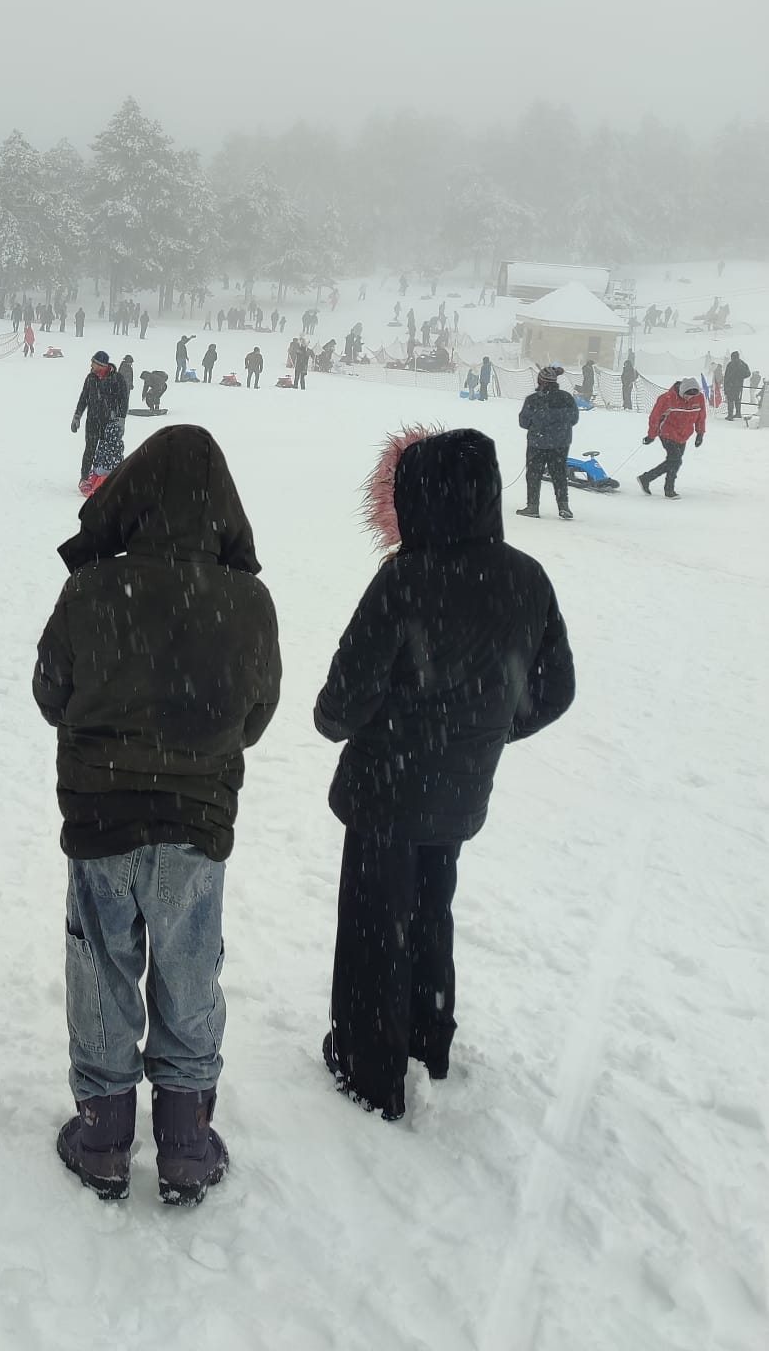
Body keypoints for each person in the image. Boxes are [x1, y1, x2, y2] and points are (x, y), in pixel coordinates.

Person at [33, 426, 281, 1205]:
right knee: (188, 970)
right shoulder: (247, 599)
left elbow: (51, 694)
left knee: (101, 966)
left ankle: (104, 1138)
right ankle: (184, 1141)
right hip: (195, 820)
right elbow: (257, 712)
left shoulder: (92, 589)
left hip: (102, 814)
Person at [315, 428, 574, 1121]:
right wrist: (478, 734)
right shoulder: (526, 577)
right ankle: (429, 1038)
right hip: (458, 791)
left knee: (376, 926)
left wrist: (380, 727)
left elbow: (343, 702)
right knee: (431, 908)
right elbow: (554, 691)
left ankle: (369, 1069)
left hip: (385, 791)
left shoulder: (405, 577)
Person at [516, 366, 578, 520]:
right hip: (560, 444)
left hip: (538, 443)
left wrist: (537, 426)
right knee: (560, 474)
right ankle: (564, 506)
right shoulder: (567, 398)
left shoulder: (533, 399)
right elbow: (574, 419)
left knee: (534, 475)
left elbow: (523, 422)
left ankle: (533, 506)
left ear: (541, 380)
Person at [639, 378, 706, 498]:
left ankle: (646, 478)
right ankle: (668, 489)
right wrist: (651, 435)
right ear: (682, 391)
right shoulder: (666, 399)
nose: (689, 398)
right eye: (687, 395)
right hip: (667, 432)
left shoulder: (699, 398)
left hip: (684, 434)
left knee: (674, 462)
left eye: (692, 396)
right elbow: (654, 417)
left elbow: (701, 416)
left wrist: (700, 433)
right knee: (675, 460)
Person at [72, 351, 126, 491]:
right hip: (92, 420)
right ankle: (84, 479)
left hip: (109, 422)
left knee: (107, 451)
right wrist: (77, 416)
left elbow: (123, 400)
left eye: (93, 363)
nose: (91, 365)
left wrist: (121, 419)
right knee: (90, 449)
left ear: (101, 365)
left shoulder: (117, 379)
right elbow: (83, 398)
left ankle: (106, 478)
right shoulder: (91, 378)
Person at [724, 351, 750, 422]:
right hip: (738, 385)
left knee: (730, 399)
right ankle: (738, 413)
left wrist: (726, 385)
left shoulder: (730, 364)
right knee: (737, 399)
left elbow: (726, 376)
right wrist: (741, 377)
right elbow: (748, 374)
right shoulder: (742, 363)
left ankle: (730, 415)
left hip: (730, 384)